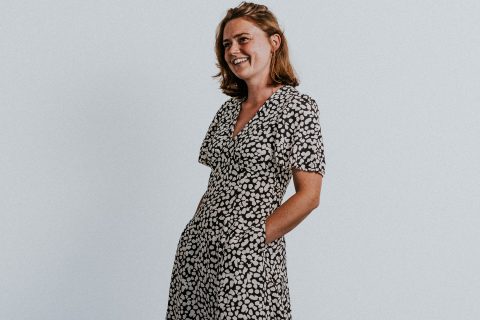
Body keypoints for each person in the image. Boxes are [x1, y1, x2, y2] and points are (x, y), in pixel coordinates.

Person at [166, 2, 326, 319]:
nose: (233, 50)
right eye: (226, 44)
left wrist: (251, 240)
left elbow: (309, 196)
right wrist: (192, 234)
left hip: (248, 258)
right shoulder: (228, 111)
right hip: (198, 253)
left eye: (243, 39)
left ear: (273, 41)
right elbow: (217, 183)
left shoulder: (298, 108)